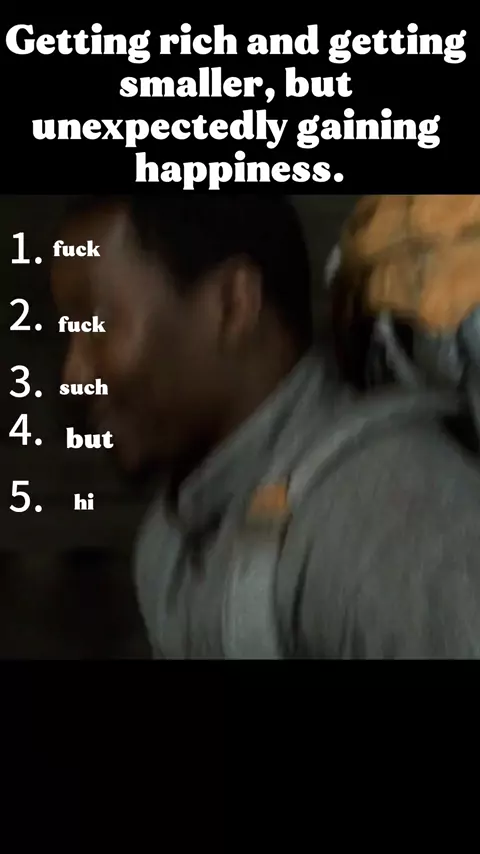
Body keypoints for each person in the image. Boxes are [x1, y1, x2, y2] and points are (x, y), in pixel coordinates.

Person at [51, 193, 480, 659]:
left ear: (233, 304)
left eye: (99, 326)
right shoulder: (167, 547)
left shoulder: (392, 523)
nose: (74, 375)